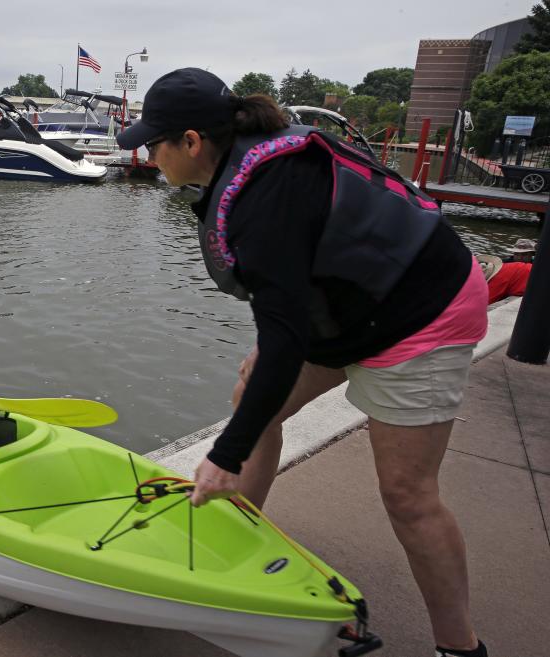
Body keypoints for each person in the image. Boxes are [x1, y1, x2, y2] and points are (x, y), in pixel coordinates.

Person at [117, 68, 489, 657]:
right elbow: (286, 309)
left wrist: (222, 456)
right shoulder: (240, 166)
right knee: (253, 397)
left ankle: (460, 646)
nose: (147, 155)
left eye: (153, 143)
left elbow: (287, 340)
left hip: (422, 310)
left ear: (191, 142)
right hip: (350, 306)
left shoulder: (268, 195)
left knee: (407, 494)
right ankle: (237, 546)